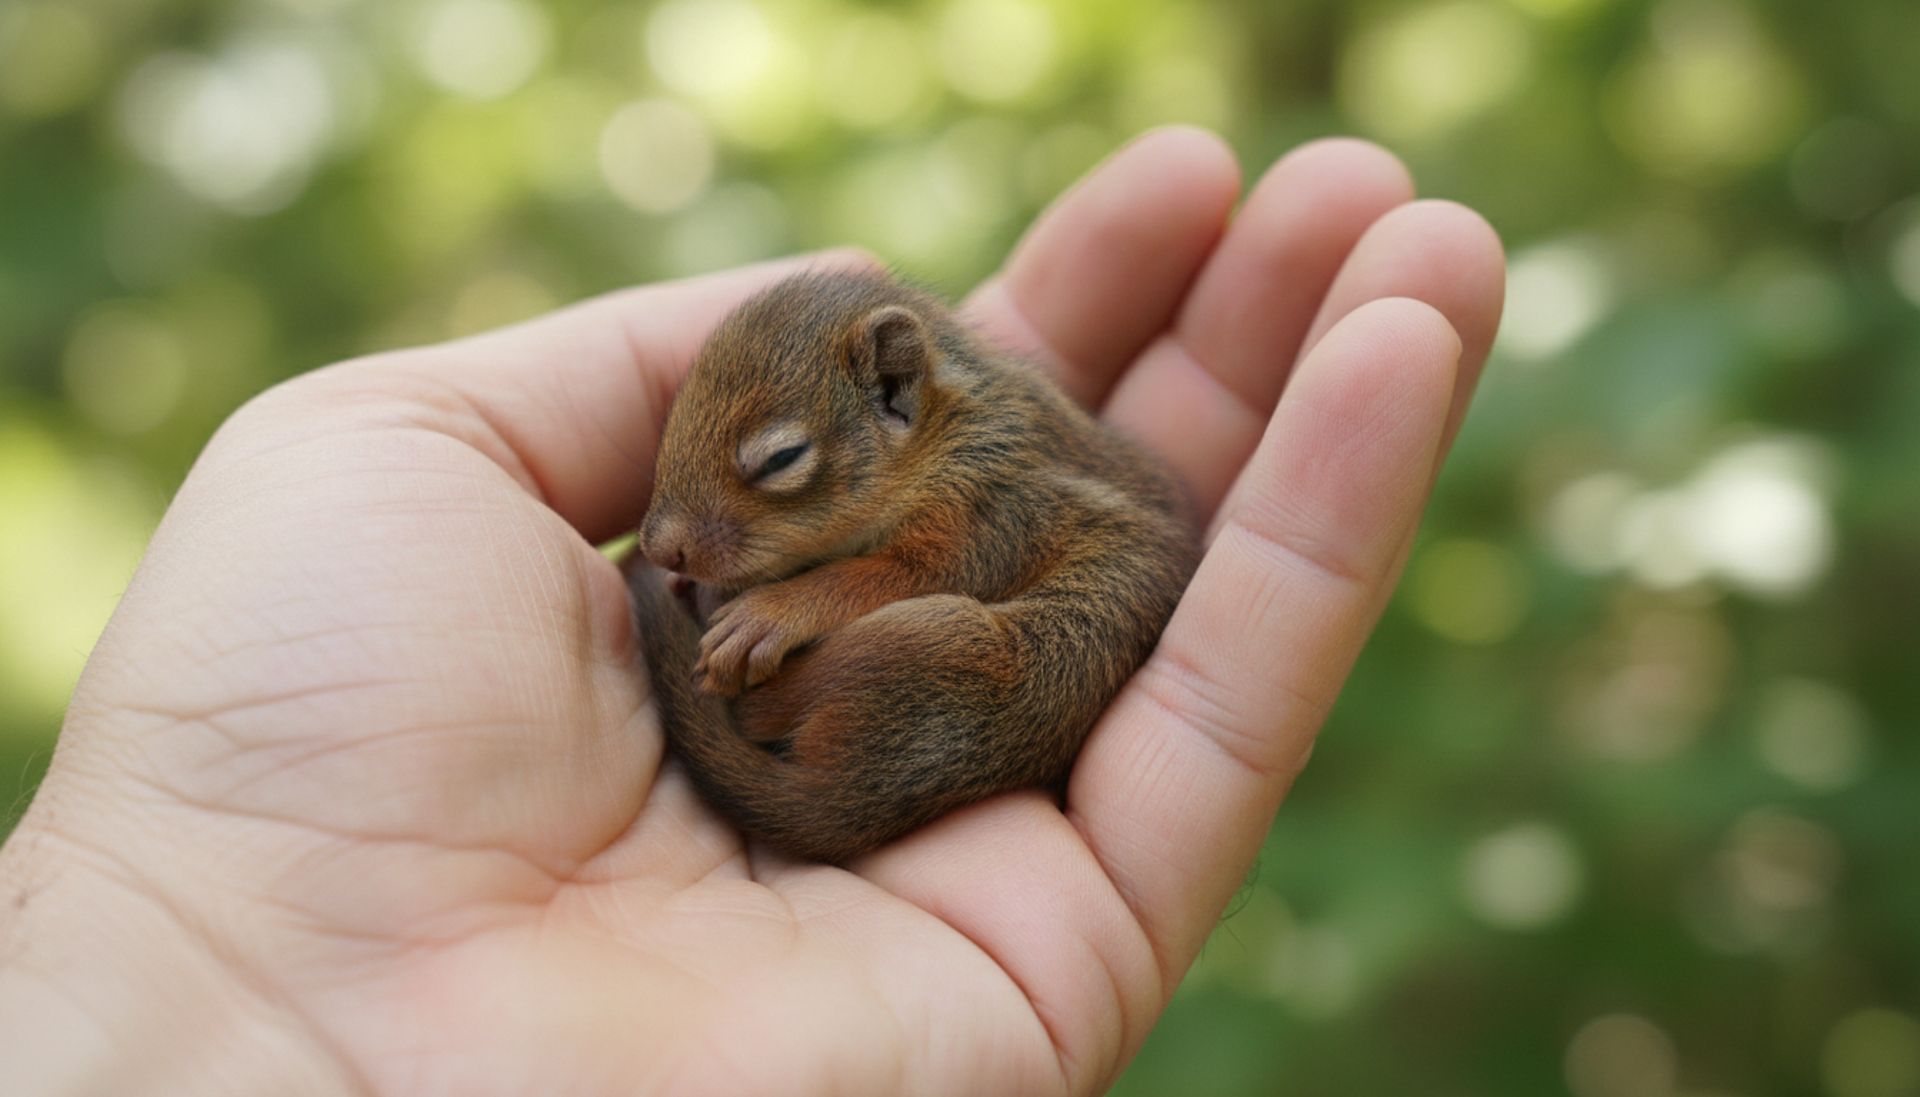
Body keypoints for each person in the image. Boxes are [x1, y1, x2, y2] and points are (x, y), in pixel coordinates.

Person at [0, 128, 1503, 1095]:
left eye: (774, 470)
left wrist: (799, 610)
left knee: (932, 638)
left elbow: (914, 581)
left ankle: (796, 740)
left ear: (901, 396)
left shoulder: (977, 487)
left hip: (982, 659)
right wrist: (189, 926)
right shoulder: (842, 474)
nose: (677, 539)